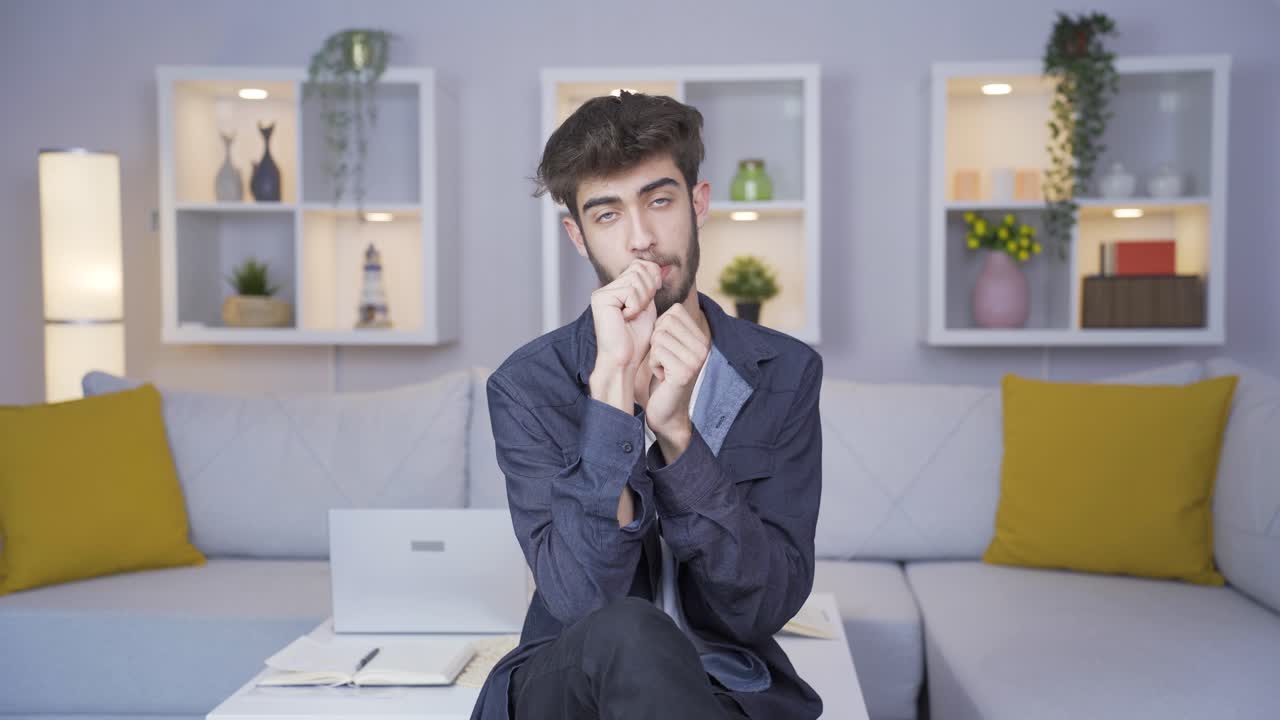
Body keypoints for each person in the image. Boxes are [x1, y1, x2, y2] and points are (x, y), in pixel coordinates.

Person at [471, 91, 824, 720]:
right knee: (632, 631)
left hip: (725, 687)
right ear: (578, 237)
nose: (641, 240)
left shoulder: (787, 373)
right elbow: (583, 601)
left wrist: (676, 435)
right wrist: (612, 389)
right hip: (570, 686)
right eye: (607, 217)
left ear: (698, 203)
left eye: (659, 201)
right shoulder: (526, 387)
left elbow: (763, 606)